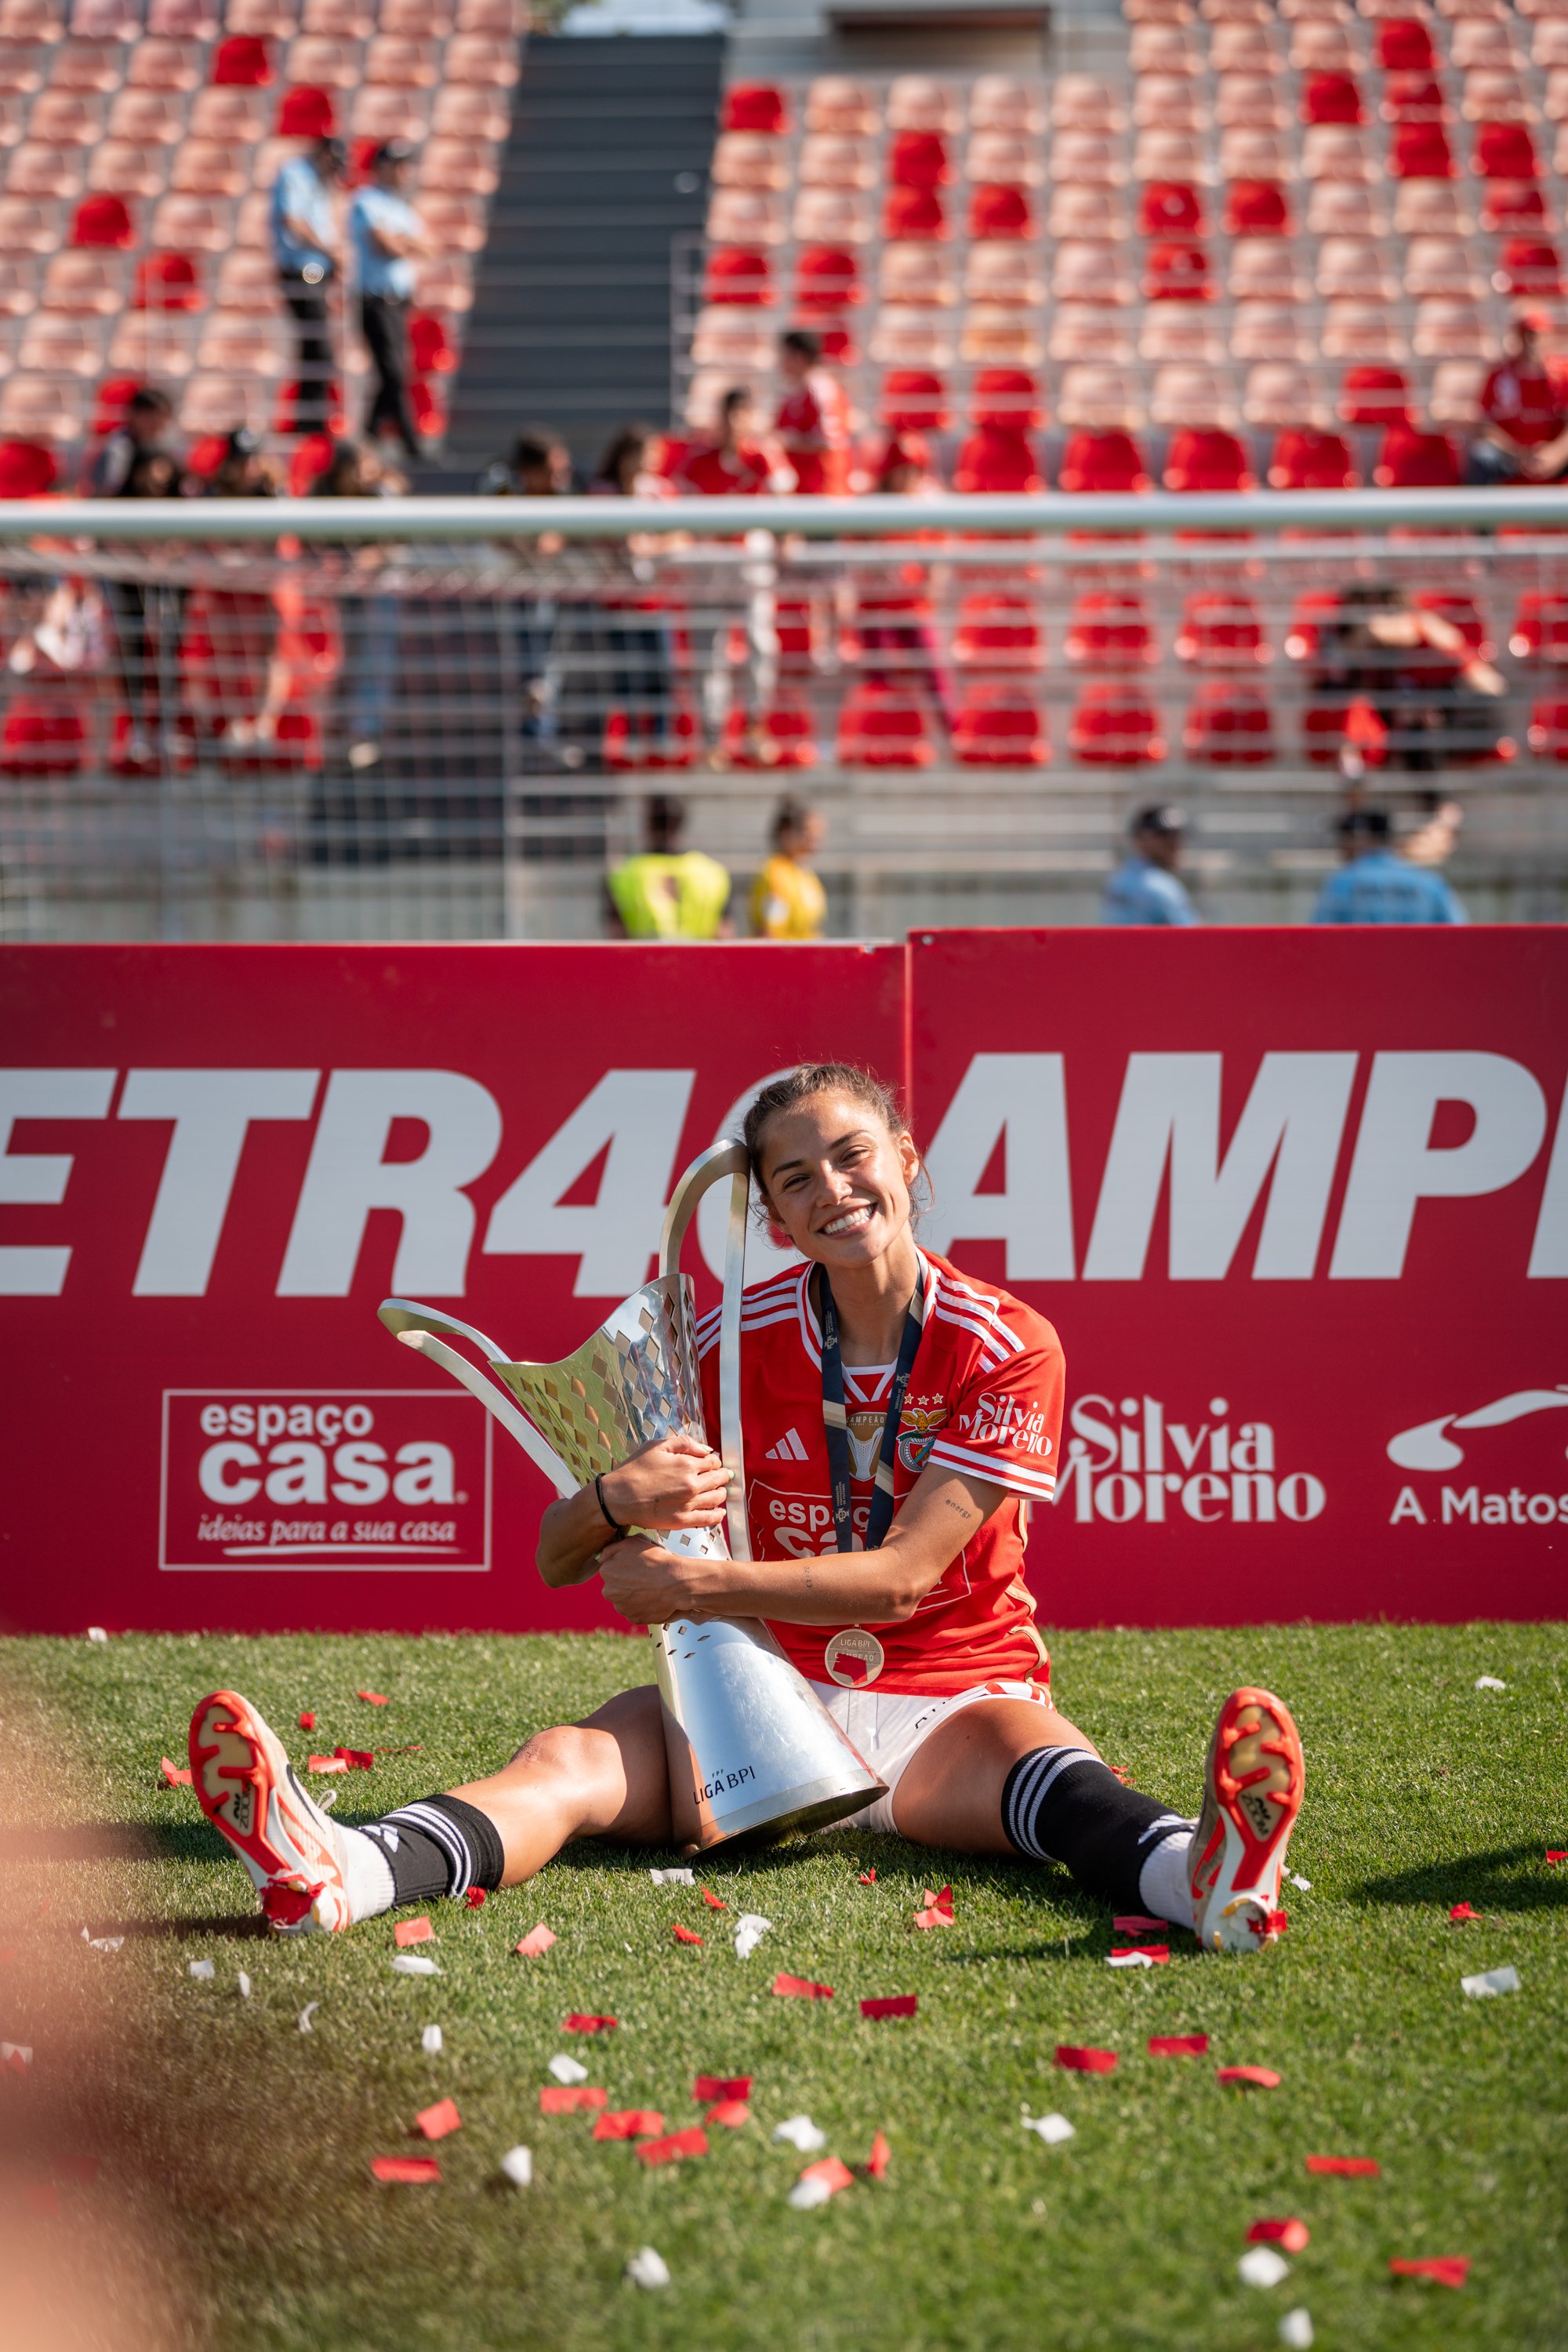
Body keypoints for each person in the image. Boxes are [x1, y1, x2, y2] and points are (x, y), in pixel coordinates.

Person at [184, 1062, 1305, 1956]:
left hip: (950, 1697)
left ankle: (1206, 1878)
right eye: (797, 1178)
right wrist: (618, 1496)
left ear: (905, 1160)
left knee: (1058, 1786)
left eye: (853, 1156)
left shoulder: (1006, 1344)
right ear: (771, 1215)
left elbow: (902, 1580)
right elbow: (556, 1557)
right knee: (565, 1764)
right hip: (760, 1704)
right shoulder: (725, 1340)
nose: (835, 1191)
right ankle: (342, 1871)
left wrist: (699, 1583)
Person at [88, 386, 180, 768]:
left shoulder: (165, 451)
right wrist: (133, 550)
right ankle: (137, 730)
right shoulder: (118, 452)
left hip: (159, 569)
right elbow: (102, 510)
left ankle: (164, 727)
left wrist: (165, 551)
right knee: (132, 644)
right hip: (123, 567)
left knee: (167, 644)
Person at [348, 139, 430, 463]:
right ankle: (411, 444)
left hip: (399, 302)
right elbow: (387, 247)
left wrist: (400, 240)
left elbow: (427, 247)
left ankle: (367, 439)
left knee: (392, 373)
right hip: (376, 301)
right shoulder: (366, 201)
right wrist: (404, 241)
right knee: (393, 372)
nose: (403, 172)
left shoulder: (400, 208)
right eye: (397, 165)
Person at [270, 135, 346, 441]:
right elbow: (293, 222)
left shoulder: (318, 181)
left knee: (316, 343)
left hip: (315, 271)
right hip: (305, 270)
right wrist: (329, 252)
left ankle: (310, 417)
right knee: (318, 344)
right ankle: (310, 419)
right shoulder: (295, 174)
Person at [604, 792, 731, 938]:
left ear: (648, 824)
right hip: (700, 953)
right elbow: (724, 934)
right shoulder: (713, 873)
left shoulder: (623, 874)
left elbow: (617, 936)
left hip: (643, 953)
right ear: (682, 823)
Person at [1312, 805, 1468, 922]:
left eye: (1345, 837)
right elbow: (1458, 936)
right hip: (1419, 958)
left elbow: (1321, 938)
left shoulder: (1341, 884)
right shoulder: (1430, 883)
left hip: (1361, 958)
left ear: (1361, 838)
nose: (1341, 846)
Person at [1467, 310, 1568, 485]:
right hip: (1511, 454)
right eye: (1525, 335)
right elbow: (1485, 424)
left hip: (1552, 453)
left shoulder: (1563, 375)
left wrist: (1555, 454)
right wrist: (1517, 453)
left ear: (1548, 337)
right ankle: (1477, 504)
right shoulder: (1500, 375)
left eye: (1535, 336)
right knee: (1482, 456)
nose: (1531, 342)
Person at [773, 328, 850, 495]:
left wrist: (786, 442)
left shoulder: (821, 390)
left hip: (823, 492)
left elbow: (829, 441)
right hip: (804, 491)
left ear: (799, 356)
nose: (780, 361)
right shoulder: (797, 391)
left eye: (785, 354)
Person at [1101, 804, 1200, 925]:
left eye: (1178, 836)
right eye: (1167, 836)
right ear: (1144, 839)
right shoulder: (1161, 886)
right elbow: (1193, 933)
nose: (1176, 844)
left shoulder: (1118, 880)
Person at [673, 386, 774, 496]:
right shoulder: (701, 460)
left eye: (738, 417)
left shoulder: (762, 458)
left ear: (748, 418)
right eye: (727, 416)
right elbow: (679, 489)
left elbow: (781, 491)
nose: (732, 424)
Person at [751, 795, 827, 937]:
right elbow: (769, 932)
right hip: (787, 951)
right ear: (786, 832)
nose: (815, 836)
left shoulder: (805, 873)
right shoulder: (775, 872)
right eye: (808, 830)